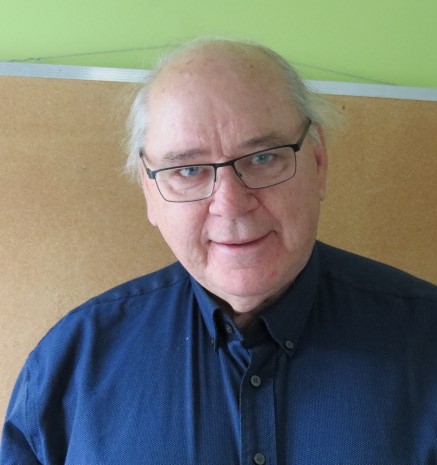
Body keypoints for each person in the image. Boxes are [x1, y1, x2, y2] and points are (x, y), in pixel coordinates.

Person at [1, 38, 436, 465]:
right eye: (188, 169)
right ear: (149, 191)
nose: (230, 204)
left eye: (263, 157)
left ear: (318, 162)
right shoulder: (70, 363)